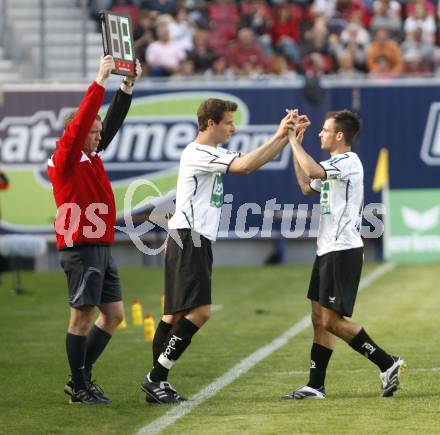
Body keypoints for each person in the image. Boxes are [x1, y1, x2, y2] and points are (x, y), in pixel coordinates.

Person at [140, 98, 295, 404]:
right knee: (200, 312)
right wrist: (280, 135)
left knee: (174, 314)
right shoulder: (199, 152)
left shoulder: (210, 152)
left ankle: (157, 383)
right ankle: (155, 378)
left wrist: (286, 138)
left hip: (188, 237)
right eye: (228, 123)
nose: (233, 128)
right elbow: (247, 166)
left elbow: (251, 162)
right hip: (190, 238)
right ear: (210, 124)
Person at [283, 109, 405, 400]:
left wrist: (293, 141)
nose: (320, 134)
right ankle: (315, 385)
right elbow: (305, 185)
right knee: (318, 317)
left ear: (340, 135)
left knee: (332, 322)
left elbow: (313, 171)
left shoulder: (347, 162)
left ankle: (388, 363)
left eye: (325, 130)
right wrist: (294, 143)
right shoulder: (334, 164)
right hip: (327, 249)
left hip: (342, 250)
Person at [47, 55, 141, 404]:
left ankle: (80, 379)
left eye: (100, 133)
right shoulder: (67, 157)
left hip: (100, 244)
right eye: (94, 132)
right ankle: (79, 385)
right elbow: (86, 120)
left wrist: (126, 88)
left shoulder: (91, 155)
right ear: (78, 133)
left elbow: (109, 123)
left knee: (113, 315)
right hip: (80, 245)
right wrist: (99, 80)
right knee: (82, 318)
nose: (100, 137)